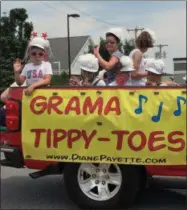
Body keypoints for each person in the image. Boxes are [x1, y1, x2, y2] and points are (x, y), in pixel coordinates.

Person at [14, 32, 53, 96]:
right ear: (29, 54)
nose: (37, 56)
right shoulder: (27, 67)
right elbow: (20, 83)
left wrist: (33, 86)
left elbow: (47, 80)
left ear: (44, 54)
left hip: (44, 94)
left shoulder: (47, 65)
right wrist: (16, 73)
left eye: (40, 54)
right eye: (34, 54)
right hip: (30, 95)